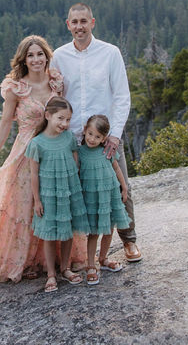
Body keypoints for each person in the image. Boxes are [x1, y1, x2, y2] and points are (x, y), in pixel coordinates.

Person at [0, 35, 64, 282]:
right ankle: (24, 259)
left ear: (47, 56)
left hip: (54, 150)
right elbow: (6, 123)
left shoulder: (56, 82)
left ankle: (53, 258)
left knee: (52, 203)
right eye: (30, 55)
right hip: (26, 152)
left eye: (40, 54)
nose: (36, 59)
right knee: (24, 206)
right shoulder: (16, 87)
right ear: (23, 60)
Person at [53, 2, 141, 263]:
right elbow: (56, 96)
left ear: (93, 22)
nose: (79, 26)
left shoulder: (110, 53)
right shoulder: (59, 56)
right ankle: (72, 252)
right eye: (74, 22)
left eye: (84, 21)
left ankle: (130, 240)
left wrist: (114, 135)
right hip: (73, 139)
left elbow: (122, 97)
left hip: (104, 136)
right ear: (68, 25)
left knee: (119, 187)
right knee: (72, 192)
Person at [26, 96, 89, 292]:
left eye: (68, 119)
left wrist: (76, 187)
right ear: (48, 116)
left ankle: (65, 269)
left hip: (69, 191)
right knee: (50, 235)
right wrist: (37, 200)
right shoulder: (37, 143)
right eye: (60, 118)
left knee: (68, 230)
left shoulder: (69, 138)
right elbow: (34, 175)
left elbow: (75, 162)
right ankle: (51, 274)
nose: (65, 123)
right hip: (49, 195)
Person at [78, 115, 130, 285]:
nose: (93, 139)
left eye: (98, 136)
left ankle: (103, 259)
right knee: (93, 232)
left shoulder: (107, 150)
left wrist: (124, 187)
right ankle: (91, 265)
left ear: (104, 138)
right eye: (90, 134)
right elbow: (77, 174)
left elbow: (116, 168)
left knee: (109, 229)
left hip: (109, 194)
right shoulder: (80, 153)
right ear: (85, 130)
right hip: (92, 197)